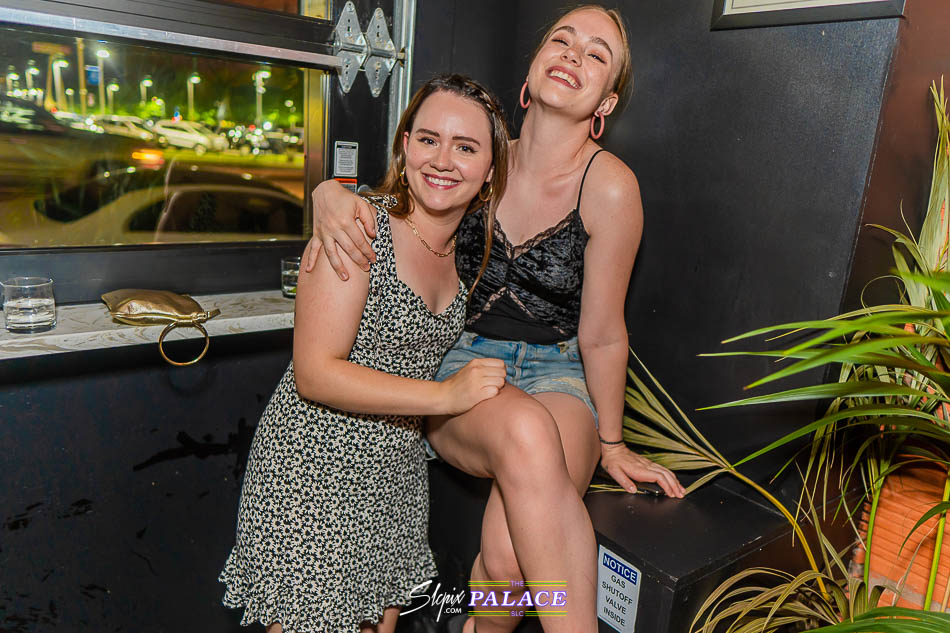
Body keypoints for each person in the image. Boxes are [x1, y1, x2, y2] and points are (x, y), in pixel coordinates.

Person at [307, 5, 687, 632]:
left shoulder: (611, 187)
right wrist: (330, 195)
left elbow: (602, 332)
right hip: (462, 363)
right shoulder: (480, 162)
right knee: (525, 440)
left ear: (606, 103)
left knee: (509, 566)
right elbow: (399, 202)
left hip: (559, 371)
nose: (573, 55)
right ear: (532, 70)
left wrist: (612, 443)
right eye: (562, 40)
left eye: (596, 55)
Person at [218, 74, 510, 633]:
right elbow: (315, 373)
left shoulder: (469, 248)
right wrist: (444, 396)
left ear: (491, 168)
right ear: (405, 144)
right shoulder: (359, 226)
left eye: (466, 147)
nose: (442, 160)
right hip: (316, 473)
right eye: (429, 139)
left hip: (393, 479)